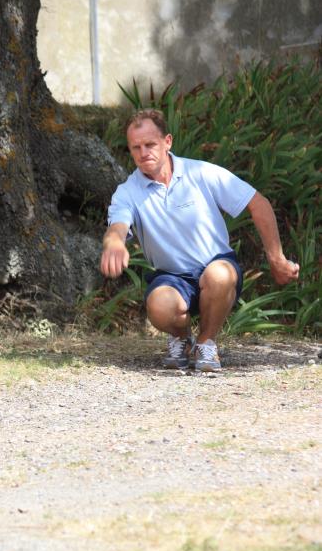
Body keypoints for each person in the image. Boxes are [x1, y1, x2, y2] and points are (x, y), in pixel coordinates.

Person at [100, 109, 299, 372]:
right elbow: (117, 226)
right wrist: (114, 243)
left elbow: (258, 204)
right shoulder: (127, 192)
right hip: (171, 277)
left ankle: (206, 343)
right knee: (159, 307)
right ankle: (183, 340)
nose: (143, 152)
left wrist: (277, 259)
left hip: (215, 266)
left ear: (167, 141)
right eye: (135, 147)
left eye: (150, 144)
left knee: (220, 275)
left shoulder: (201, 172)